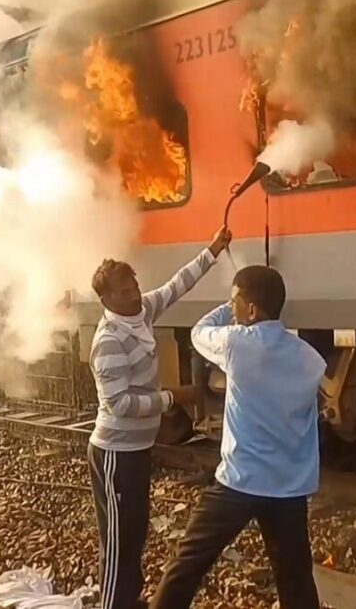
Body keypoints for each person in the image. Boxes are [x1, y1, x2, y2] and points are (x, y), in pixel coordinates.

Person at [149, 266, 326, 609]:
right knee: (296, 578)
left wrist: (222, 305)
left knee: (188, 562)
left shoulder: (236, 344)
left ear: (251, 310)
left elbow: (200, 332)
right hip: (289, 488)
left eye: (235, 302)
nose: (232, 309)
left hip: (240, 482)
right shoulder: (310, 359)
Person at [88, 226, 231, 609]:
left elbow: (175, 286)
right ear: (105, 299)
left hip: (136, 449)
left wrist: (212, 250)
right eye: (123, 292)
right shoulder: (108, 341)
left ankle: (128, 599)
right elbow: (119, 404)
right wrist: (172, 397)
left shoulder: (142, 311)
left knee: (133, 533)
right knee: (119, 539)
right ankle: (115, 605)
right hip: (115, 452)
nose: (134, 294)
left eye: (134, 285)